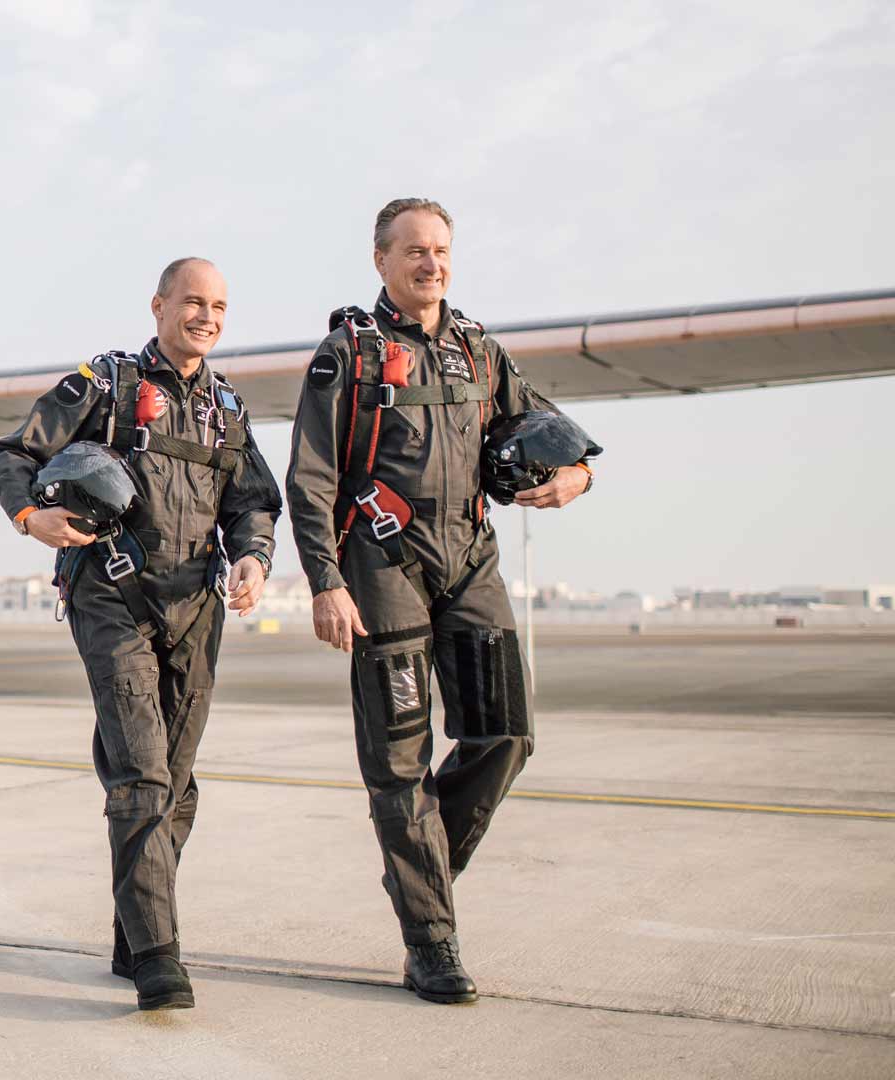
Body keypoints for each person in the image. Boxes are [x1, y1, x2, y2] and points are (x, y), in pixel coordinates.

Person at [285, 198, 594, 1004]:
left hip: (470, 562)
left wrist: (577, 477)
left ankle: (415, 873)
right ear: (381, 259)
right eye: (415, 250)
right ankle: (432, 943)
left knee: (506, 736)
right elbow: (312, 479)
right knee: (399, 765)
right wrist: (325, 581)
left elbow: (554, 432)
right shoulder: (346, 354)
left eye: (442, 249)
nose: (432, 263)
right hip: (383, 564)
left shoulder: (479, 351)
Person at [0, 257, 283, 1011]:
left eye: (219, 305)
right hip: (111, 598)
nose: (206, 316)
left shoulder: (227, 409)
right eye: (192, 301)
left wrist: (253, 558)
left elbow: (253, 500)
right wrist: (32, 517)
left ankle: (132, 923)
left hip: (197, 607)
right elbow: (14, 452)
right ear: (158, 305)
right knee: (143, 774)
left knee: (178, 783)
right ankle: (158, 955)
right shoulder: (107, 385)